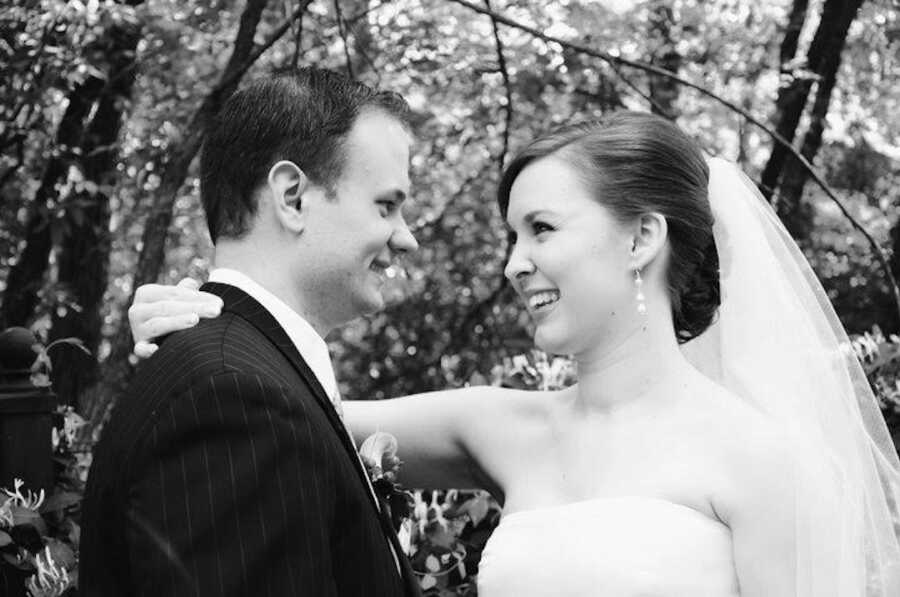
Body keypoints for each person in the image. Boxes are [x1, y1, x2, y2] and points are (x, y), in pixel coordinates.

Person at [129, 112, 900, 596]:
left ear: (641, 237)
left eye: (542, 229)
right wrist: (196, 322)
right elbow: (277, 412)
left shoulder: (763, 461)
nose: (513, 263)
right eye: (511, 237)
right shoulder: (495, 425)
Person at [80, 68, 422, 596]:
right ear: (292, 197)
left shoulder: (247, 378)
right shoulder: (235, 398)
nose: (407, 239)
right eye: (387, 205)